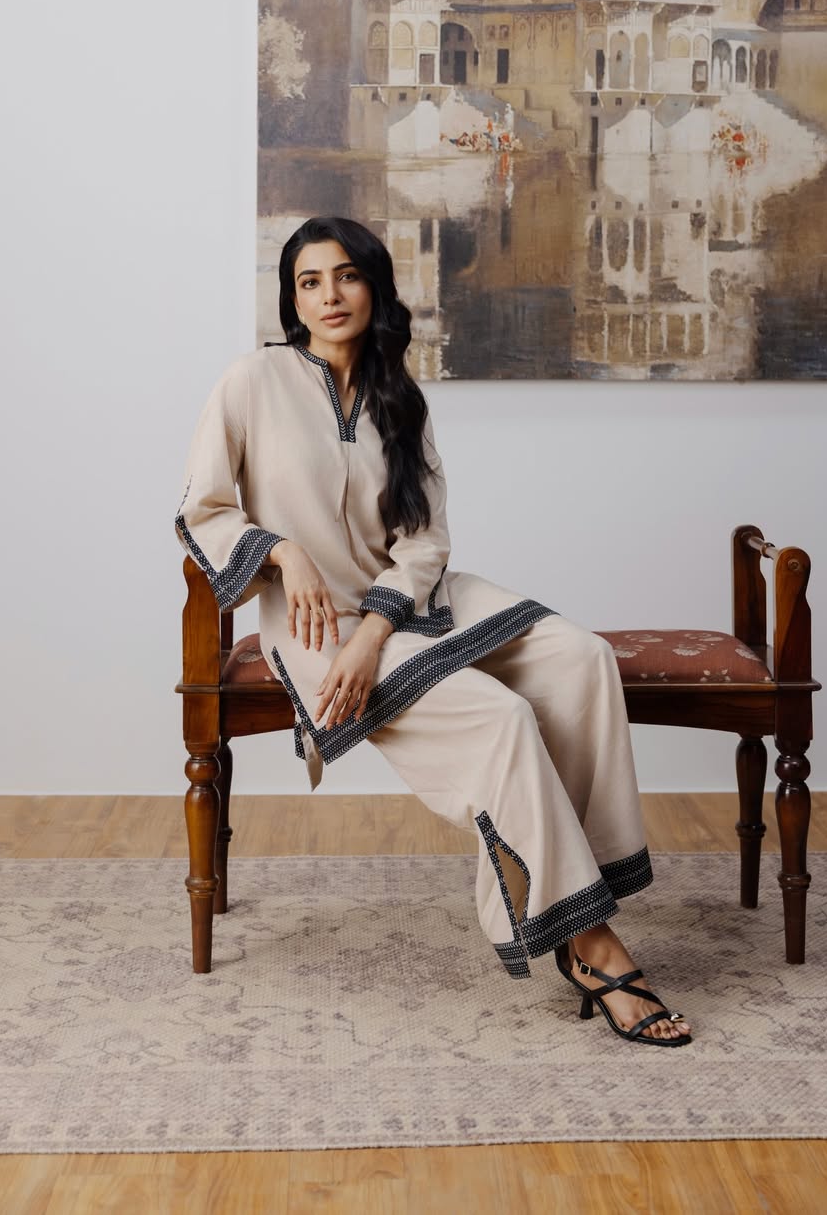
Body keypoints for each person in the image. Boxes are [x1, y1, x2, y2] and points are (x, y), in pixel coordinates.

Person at [175, 217, 691, 1046]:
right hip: (314, 624)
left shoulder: (399, 396)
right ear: (291, 299)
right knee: (502, 717)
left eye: (346, 276)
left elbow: (423, 540)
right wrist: (282, 552)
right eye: (309, 281)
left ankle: (570, 884)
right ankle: (589, 942)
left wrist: (375, 631)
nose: (329, 295)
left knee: (582, 658)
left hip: (406, 603)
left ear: (373, 286)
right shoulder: (251, 381)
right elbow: (201, 507)